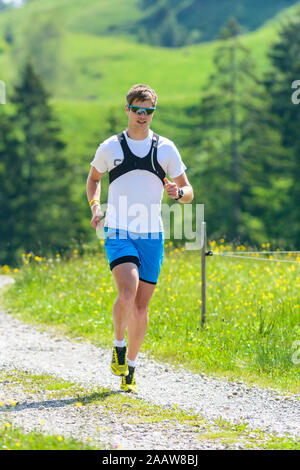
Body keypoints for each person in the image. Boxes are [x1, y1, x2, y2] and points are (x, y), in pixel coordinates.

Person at [86, 84, 194, 392]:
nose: (143, 116)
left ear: (153, 113)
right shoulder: (111, 148)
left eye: (148, 111)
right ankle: (118, 343)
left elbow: (188, 191)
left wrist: (179, 192)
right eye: (137, 110)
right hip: (119, 230)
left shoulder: (166, 149)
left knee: (141, 306)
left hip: (152, 235)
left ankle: (130, 368)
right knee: (128, 290)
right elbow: (93, 179)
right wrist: (95, 204)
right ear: (128, 110)